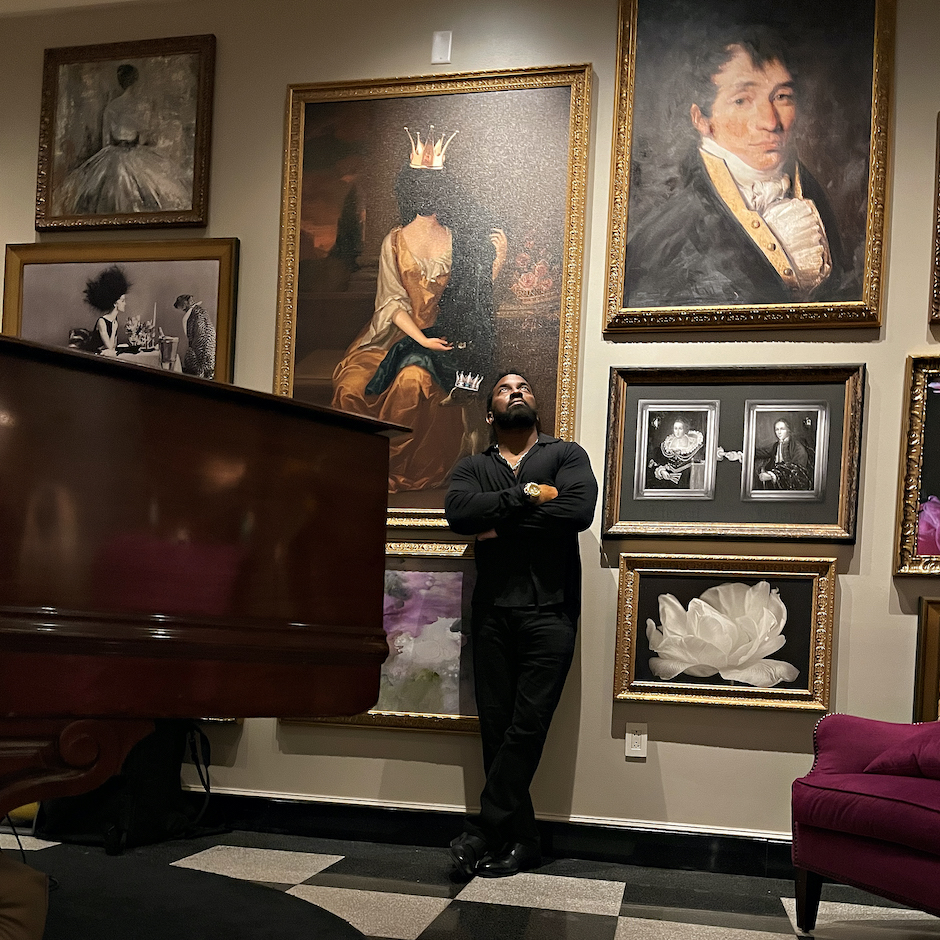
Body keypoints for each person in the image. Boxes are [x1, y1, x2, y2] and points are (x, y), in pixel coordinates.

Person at [444, 371, 597, 878]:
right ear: (490, 413)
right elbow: (458, 513)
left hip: (551, 611)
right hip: (491, 613)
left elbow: (577, 511)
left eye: (526, 388)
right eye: (506, 389)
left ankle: (483, 829)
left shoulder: (567, 456)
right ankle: (523, 838)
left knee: (528, 725)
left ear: (537, 406)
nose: (518, 392)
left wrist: (496, 526)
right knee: (497, 727)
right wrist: (530, 496)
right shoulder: (472, 466)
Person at [623, 26, 852, 308]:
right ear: (701, 120)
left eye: (782, 97)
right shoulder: (665, 241)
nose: (770, 121)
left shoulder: (815, 196)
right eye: (742, 100)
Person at [332, 127, 507, 493]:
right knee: (352, 387)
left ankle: (400, 471)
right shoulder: (394, 240)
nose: (429, 194)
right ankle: (361, 469)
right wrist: (420, 342)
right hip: (394, 336)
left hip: (444, 338)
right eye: (421, 185)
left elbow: (475, 298)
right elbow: (393, 302)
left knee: (413, 383)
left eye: (435, 186)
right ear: (409, 190)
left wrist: (497, 261)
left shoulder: (461, 239)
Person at [56, 63, 190, 216]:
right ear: (136, 80)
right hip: (134, 152)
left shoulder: (113, 106)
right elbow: (144, 136)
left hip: (114, 153)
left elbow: (106, 139)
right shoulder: (141, 106)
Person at [80, 264, 130, 357]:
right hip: (92, 356)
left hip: (104, 355)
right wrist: (114, 330)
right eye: (122, 301)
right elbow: (110, 347)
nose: (125, 303)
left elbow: (113, 348)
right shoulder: (102, 321)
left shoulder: (114, 321)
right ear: (115, 303)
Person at [754, 418, 813, 490]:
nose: (779, 432)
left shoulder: (797, 447)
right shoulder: (776, 445)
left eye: (782, 429)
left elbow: (798, 469)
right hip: (776, 481)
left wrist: (773, 475)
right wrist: (745, 453)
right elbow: (762, 452)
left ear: (788, 430)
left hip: (789, 482)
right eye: (777, 429)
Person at [649, 416, 705, 488]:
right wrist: (662, 471)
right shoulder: (667, 444)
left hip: (687, 478)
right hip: (668, 479)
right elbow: (658, 462)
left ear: (685, 429)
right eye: (675, 429)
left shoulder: (694, 444)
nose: (677, 432)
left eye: (680, 429)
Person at [174, 294, 216, 379]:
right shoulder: (202, 312)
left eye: (179, 301)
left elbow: (191, 337)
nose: (176, 304)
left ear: (187, 302)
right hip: (210, 359)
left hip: (199, 361)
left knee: (189, 354)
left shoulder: (193, 315)